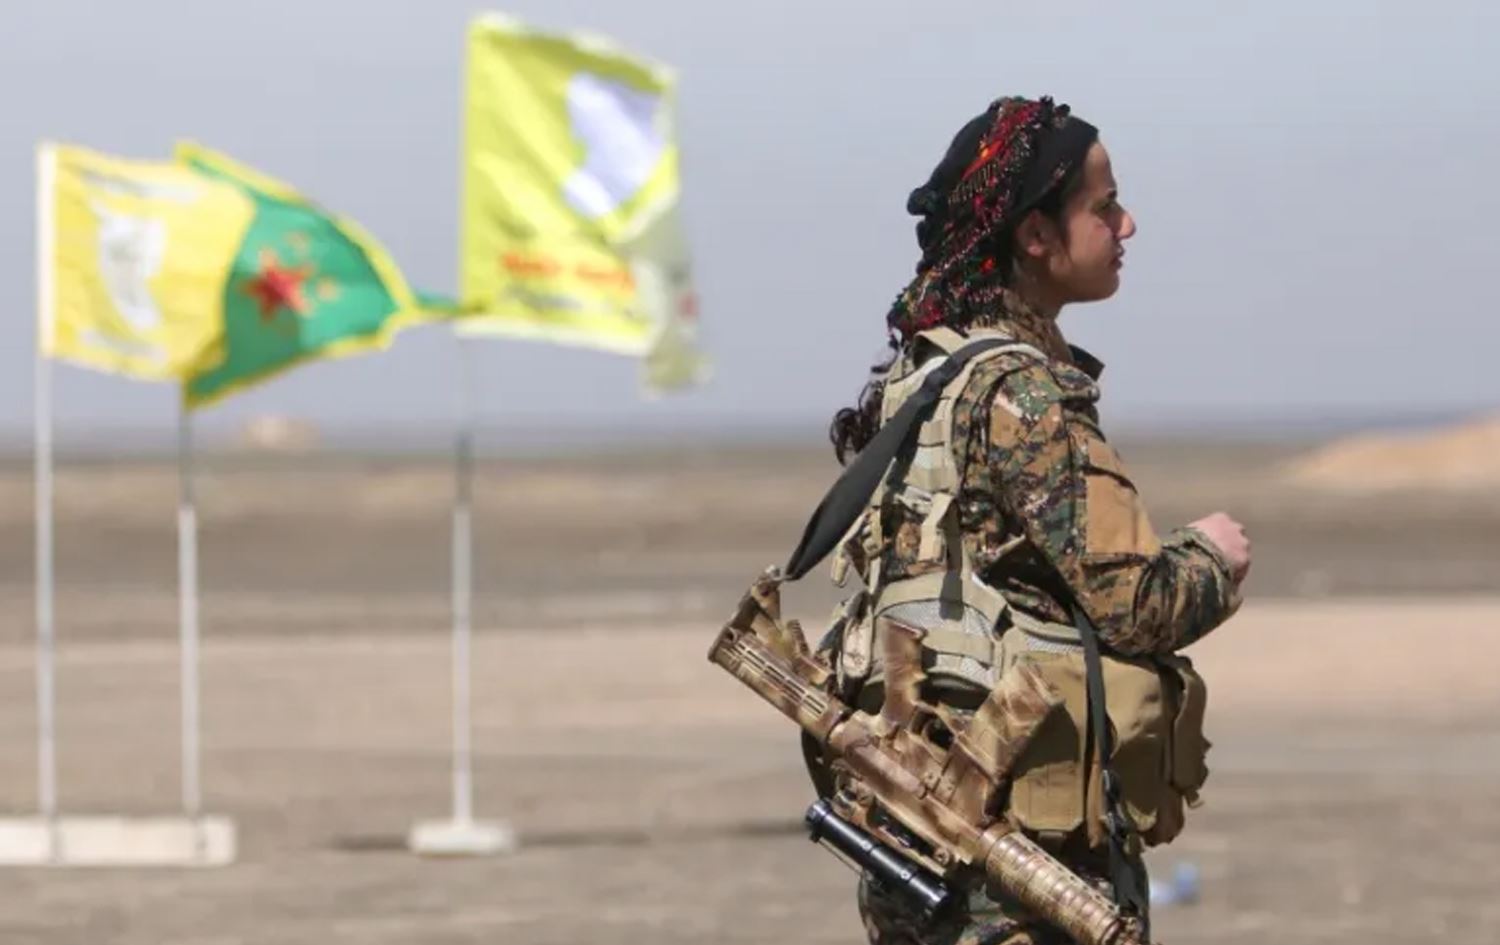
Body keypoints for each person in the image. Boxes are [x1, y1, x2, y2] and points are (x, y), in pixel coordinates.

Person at [823, 96, 1252, 945]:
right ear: (1035, 235)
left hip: (914, 847)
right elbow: (1135, 605)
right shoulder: (1022, 393)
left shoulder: (923, 380)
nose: (1127, 225)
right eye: (1104, 207)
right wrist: (1213, 555)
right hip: (1017, 869)